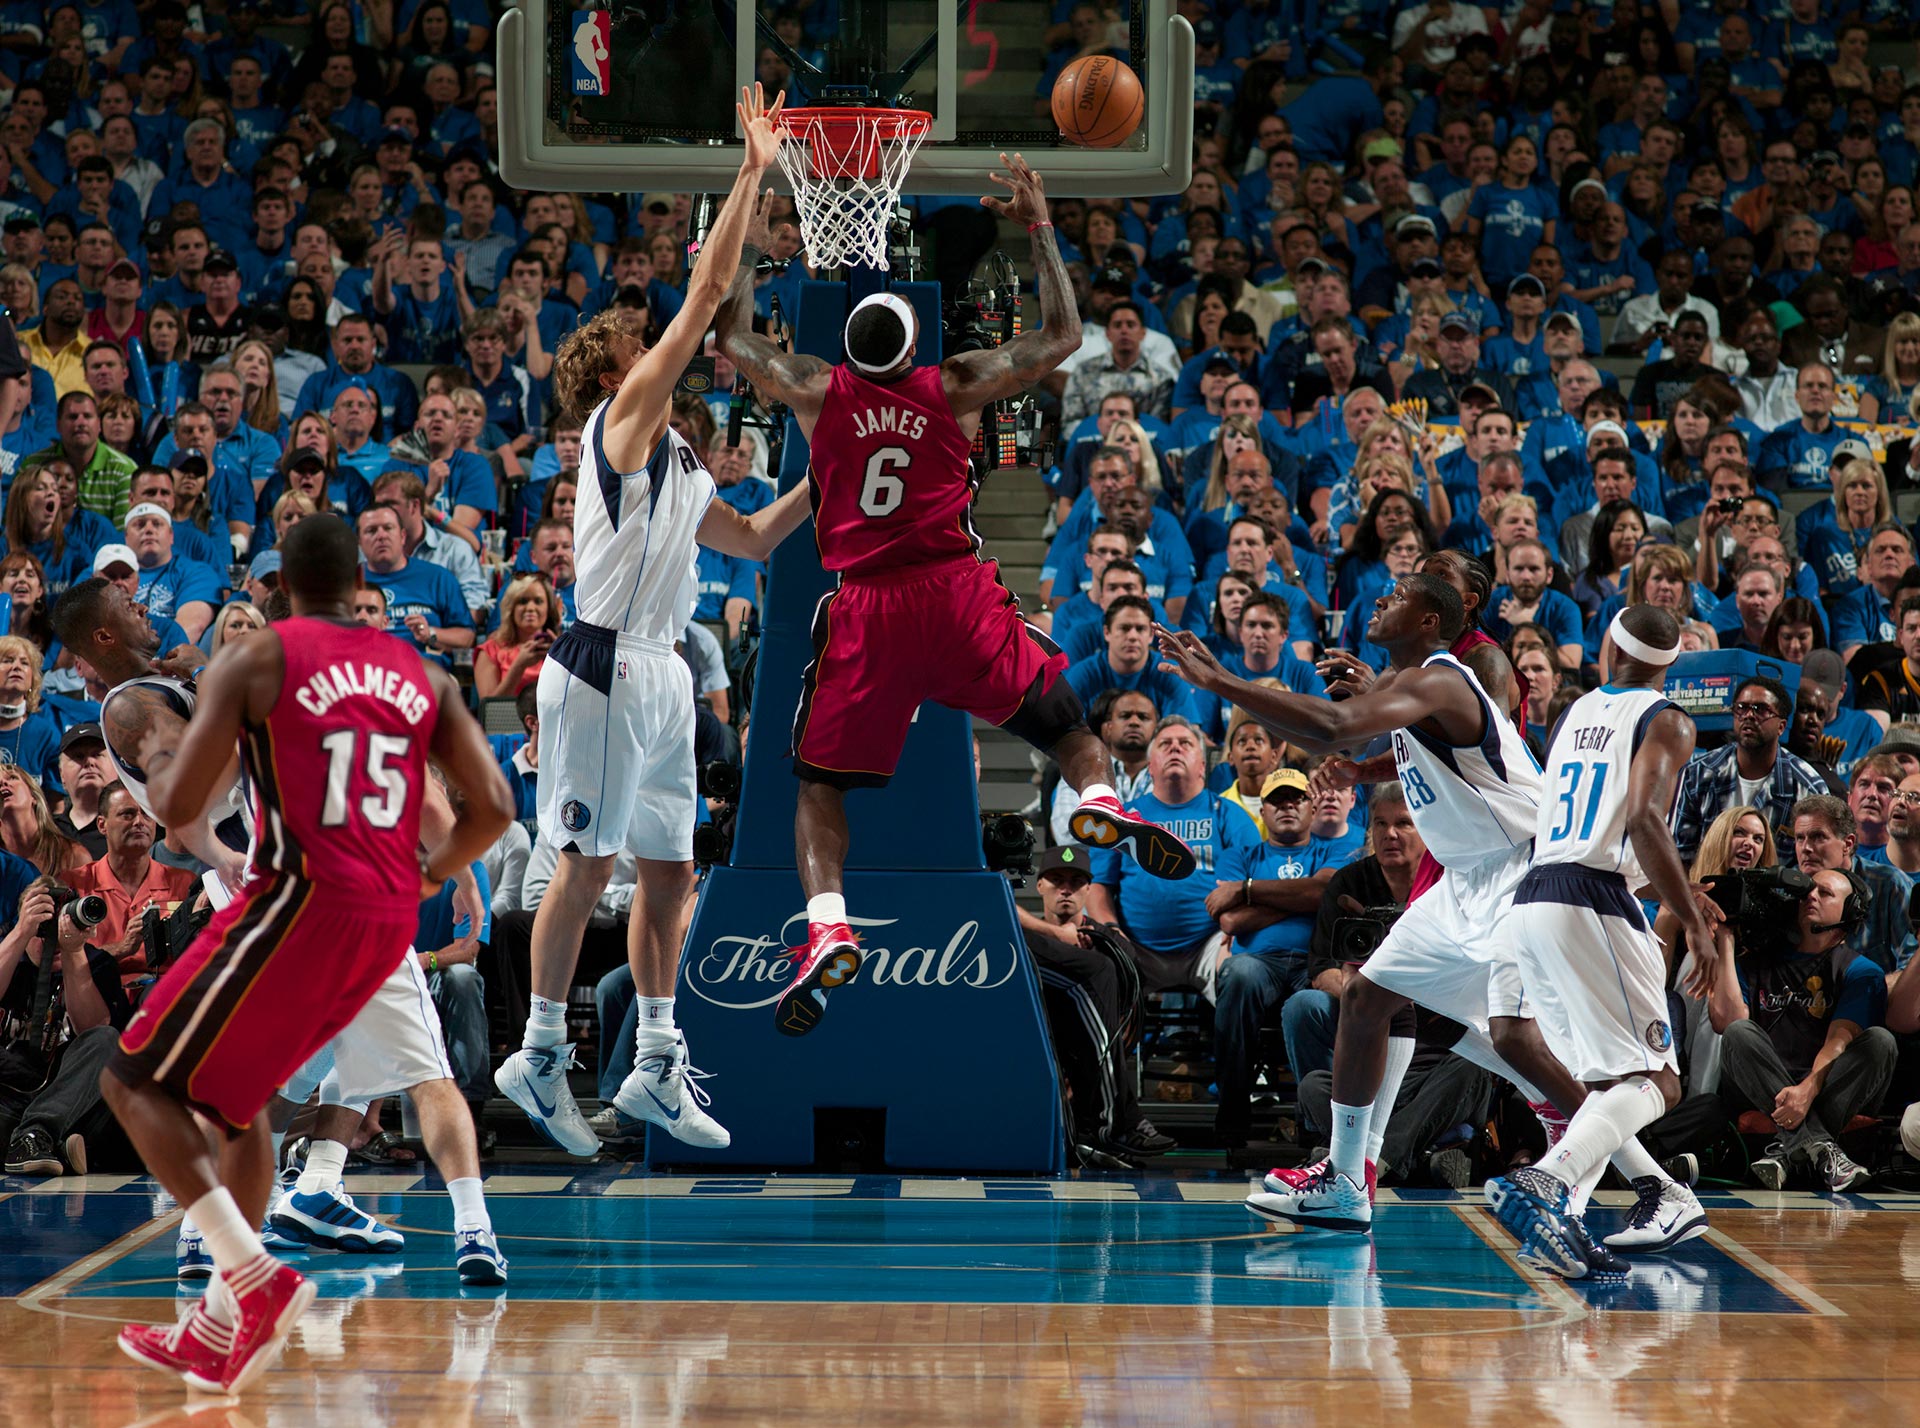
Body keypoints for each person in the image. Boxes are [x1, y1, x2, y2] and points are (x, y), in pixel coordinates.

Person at [713, 151, 1199, 1039]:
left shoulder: (819, 390)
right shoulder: (959, 385)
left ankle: (826, 932)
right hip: (955, 595)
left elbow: (734, 345)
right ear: (915, 344)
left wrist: (746, 243)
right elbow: (1060, 340)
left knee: (818, 788)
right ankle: (1098, 805)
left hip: (867, 607)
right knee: (1066, 729)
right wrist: (1041, 225)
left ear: (852, 347)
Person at [95, 514, 513, 1395]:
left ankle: (251, 1275)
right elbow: (492, 812)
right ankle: (218, 1321)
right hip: (389, 915)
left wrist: (158, 749)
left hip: (296, 899)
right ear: (364, 579)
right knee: (241, 1099)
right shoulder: (423, 677)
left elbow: (181, 804)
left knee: (132, 1083)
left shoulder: (258, 660)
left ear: (280, 586)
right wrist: (433, 872)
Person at [493, 87, 816, 1157]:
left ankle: (656, 1065)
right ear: (614, 377)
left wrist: (839, 469)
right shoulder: (620, 424)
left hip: (666, 676)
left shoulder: (677, 461)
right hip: (599, 668)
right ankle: (539, 1057)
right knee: (586, 869)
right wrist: (752, 169)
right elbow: (712, 284)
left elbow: (758, 541)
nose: (663, 354)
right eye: (645, 348)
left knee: (670, 871)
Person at [1483, 607, 1714, 1280]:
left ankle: (1577, 1220)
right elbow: (1643, 818)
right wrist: (1693, 924)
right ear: (1671, 663)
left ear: (1610, 644)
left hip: (1536, 896)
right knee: (1658, 1081)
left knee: (1604, 1083)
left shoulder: (1577, 709)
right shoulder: (1667, 718)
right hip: (1594, 896)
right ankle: (1548, 1182)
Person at [1707, 866, 1895, 1192]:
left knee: (1880, 1041)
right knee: (1739, 1033)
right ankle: (1822, 1149)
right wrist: (1726, 938)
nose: (1811, 896)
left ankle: (1788, 1149)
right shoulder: (1757, 960)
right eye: (1808, 890)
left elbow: (1838, 1042)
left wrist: (1807, 1091)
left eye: (1825, 893)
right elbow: (1725, 1021)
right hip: (1763, 1085)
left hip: (1827, 1088)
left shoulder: (1861, 970)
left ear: (1849, 911)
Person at [1671, 676, 1829, 867]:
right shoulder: (1699, 773)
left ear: (1781, 726)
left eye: (1761, 709)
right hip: (1705, 890)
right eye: (1741, 708)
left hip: (1777, 894)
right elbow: (1681, 856)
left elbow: (1815, 866)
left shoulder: (1808, 788)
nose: (1749, 715)